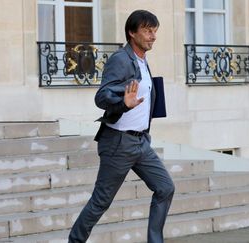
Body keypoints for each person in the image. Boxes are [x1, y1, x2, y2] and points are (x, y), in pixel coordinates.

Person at [68, 10, 175, 243]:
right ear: (131, 33)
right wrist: (123, 104)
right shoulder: (120, 59)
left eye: (154, 31)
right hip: (119, 143)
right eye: (147, 30)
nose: (153, 36)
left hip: (140, 142)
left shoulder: (142, 61)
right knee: (101, 201)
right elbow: (102, 96)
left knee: (165, 188)